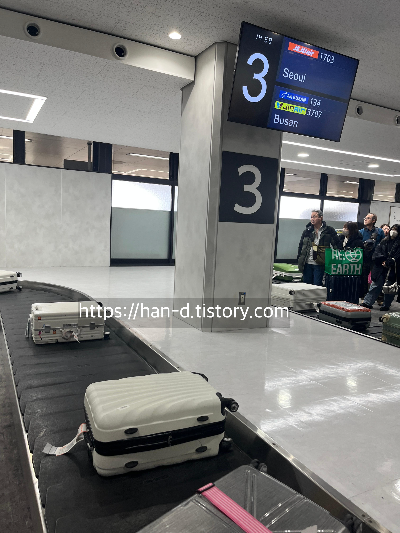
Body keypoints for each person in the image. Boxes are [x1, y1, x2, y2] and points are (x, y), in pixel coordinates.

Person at [297, 209, 341, 286]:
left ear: (321, 218)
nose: (312, 219)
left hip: (320, 262)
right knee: (305, 286)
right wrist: (299, 259)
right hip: (307, 262)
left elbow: (337, 244)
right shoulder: (307, 231)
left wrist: (337, 258)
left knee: (317, 285)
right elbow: (301, 246)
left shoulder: (328, 230)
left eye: (314, 217)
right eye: (311, 217)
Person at [361, 224, 400, 310]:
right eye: (393, 229)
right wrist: (382, 260)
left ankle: (386, 305)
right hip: (380, 267)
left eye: (396, 230)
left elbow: (398, 257)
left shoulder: (398, 243)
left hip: (392, 269)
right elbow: (376, 253)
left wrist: (389, 262)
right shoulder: (384, 241)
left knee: (389, 288)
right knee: (375, 285)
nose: (393, 231)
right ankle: (367, 302)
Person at [360, 213, 385, 297]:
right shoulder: (361, 232)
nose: (365, 219)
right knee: (364, 277)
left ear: (373, 220)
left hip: (376, 258)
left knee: (376, 277)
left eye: (368, 218)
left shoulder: (379, 231)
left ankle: (379, 296)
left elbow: (383, 245)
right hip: (365, 257)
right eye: (365, 218)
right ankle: (364, 296)